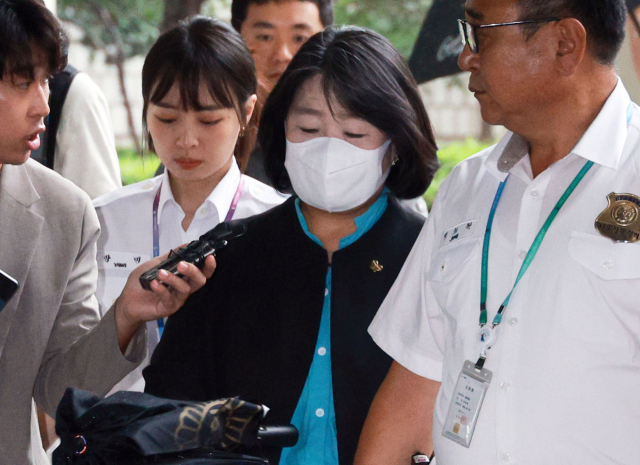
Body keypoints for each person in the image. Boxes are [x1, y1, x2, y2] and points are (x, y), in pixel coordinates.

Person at [355, 0, 640, 464]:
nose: (465, 56)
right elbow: (414, 384)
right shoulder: (467, 188)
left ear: (564, 44)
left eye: (480, 33)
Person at [144, 26, 439, 465]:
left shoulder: (430, 257)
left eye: (355, 134)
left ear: (395, 143)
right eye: (308, 127)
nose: (327, 149)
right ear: (281, 131)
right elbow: (168, 409)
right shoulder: (227, 256)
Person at [0, 1, 214, 463]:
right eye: (22, 83)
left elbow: (59, 392)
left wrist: (125, 316)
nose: (43, 104)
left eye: (45, 81)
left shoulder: (65, 213)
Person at [93, 16, 287, 393]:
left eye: (209, 120)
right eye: (166, 118)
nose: (186, 140)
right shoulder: (104, 220)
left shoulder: (278, 221)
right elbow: (70, 362)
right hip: (115, 443)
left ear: (247, 113)